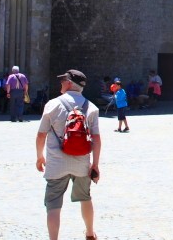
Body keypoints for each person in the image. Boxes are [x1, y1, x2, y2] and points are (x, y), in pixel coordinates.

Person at [36, 69, 101, 240]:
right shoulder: (91, 108)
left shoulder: (52, 105)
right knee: (85, 197)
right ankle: (89, 233)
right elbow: (96, 139)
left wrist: (39, 156)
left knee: (53, 204)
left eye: (63, 80)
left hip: (56, 163)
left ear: (70, 84)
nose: (61, 83)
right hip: (81, 163)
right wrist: (95, 165)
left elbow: (41, 134)